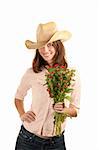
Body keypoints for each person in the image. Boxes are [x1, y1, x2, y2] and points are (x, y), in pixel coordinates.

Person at [14, 21, 81, 150]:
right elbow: (18, 97)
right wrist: (22, 114)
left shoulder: (71, 74)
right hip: (27, 140)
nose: (45, 50)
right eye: (41, 46)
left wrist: (64, 110)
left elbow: (75, 110)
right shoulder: (32, 72)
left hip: (56, 143)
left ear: (58, 46)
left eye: (49, 45)